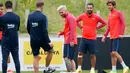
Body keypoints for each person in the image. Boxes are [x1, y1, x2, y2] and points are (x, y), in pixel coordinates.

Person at [76, 3, 107, 73]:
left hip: (92, 39)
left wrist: (97, 27)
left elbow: (104, 23)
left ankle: (92, 69)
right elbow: (76, 21)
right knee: (80, 53)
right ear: (86, 8)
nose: (89, 9)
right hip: (84, 38)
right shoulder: (82, 15)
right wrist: (81, 27)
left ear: (93, 8)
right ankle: (79, 68)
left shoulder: (96, 17)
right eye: (88, 8)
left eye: (90, 8)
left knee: (92, 55)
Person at [27, 0, 55, 73]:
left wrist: (33, 35)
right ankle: (46, 68)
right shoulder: (43, 17)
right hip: (42, 39)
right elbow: (44, 31)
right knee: (51, 50)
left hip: (33, 39)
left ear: (36, 6)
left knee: (36, 57)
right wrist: (49, 42)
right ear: (42, 6)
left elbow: (28, 28)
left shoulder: (30, 15)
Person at [101, 1, 129, 73]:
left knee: (114, 52)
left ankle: (125, 67)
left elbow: (123, 23)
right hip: (111, 36)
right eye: (108, 6)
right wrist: (105, 36)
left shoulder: (118, 13)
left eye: (110, 5)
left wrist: (121, 34)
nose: (109, 7)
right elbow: (109, 27)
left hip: (117, 36)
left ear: (114, 6)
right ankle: (113, 70)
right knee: (112, 54)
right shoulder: (109, 15)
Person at [0, 1, 20, 73]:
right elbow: (17, 28)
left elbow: (1, 28)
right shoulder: (17, 17)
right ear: (11, 7)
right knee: (16, 60)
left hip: (5, 40)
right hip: (14, 40)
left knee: (4, 60)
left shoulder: (2, 18)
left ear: (5, 7)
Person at [57, 5, 77, 72]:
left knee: (69, 58)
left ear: (65, 10)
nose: (60, 14)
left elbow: (72, 29)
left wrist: (71, 40)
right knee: (67, 58)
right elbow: (67, 29)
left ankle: (72, 71)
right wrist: (61, 33)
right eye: (59, 13)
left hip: (70, 41)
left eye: (61, 12)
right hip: (67, 41)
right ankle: (71, 71)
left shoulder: (70, 17)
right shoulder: (67, 17)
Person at [0, 3, 13, 73]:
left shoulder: (5, 17)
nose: (1, 10)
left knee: (7, 54)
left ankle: (9, 69)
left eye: (2, 9)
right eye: (0, 9)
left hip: (4, 38)